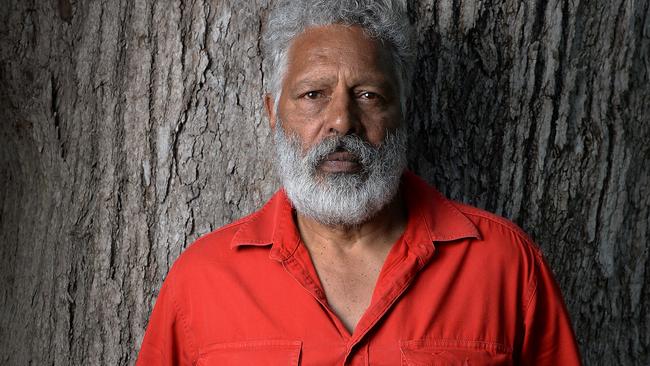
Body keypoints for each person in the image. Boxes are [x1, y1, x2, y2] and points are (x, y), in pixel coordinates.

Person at [136, 0, 582, 364]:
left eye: (369, 95)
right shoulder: (201, 281)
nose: (342, 122)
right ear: (274, 112)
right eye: (313, 95)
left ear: (402, 110)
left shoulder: (503, 265)